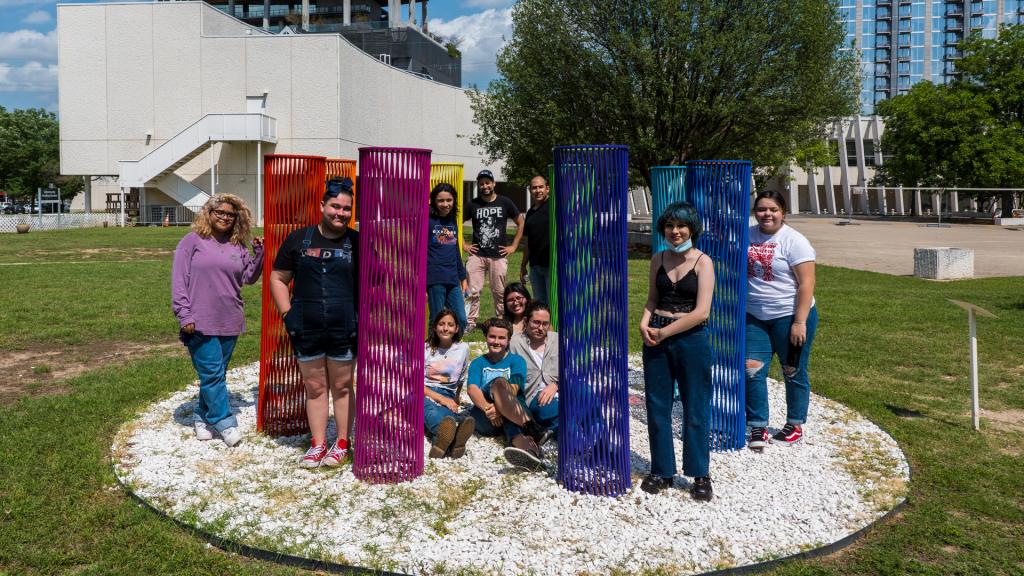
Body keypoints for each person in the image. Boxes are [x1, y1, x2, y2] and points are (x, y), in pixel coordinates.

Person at [268, 177, 358, 468]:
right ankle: (318, 443)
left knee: (342, 387)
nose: (340, 213)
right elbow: (278, 278)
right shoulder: (298, 239)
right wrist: (287, 314)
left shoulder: (358, 242)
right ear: (322, 205)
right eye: (335, 206)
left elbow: (375, 283)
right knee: (315, 387)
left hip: (344, 327)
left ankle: (342, 441)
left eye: (346, 208)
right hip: (306, 326)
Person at [171, 193, 263, 447]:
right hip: (199, 321)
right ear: (208, 214)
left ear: (237, 219)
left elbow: (248, 278)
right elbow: (179, 281)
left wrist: (260, 254)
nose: (224, 217)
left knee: (216, 373)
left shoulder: (238, 246)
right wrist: (184, 314)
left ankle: (202, 417)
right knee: (212, 373)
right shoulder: (191, 242)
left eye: (230, 215)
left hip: (230, 319)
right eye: (219, 212)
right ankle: (225, 422)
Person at [638, 200, 715, 501]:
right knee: (657, 406)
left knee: (695, 405)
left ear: (691, 228)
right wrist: (644, 325)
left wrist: (664, 331)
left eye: (681, 225)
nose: (675, 231)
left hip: (691, 340)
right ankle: (662, 470)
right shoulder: (657, 259)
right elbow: (651, 299)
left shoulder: (702, 262)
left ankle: (699, 473)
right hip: (656, 338)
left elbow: (702, 312)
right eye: (669, 226)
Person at [745, 190, 818, 450]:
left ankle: (795, 424)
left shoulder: (794, 241)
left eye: (773, 209)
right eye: (762, 209)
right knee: (752, 369)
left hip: (790, 315)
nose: (767, 214)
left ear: (782, 212)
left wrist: (800, 322)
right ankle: (757, 425)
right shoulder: (747, 235)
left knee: (793, 370)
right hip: (754, 316)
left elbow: (807, 283)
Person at [466, 317, 546, 470]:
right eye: (492, 336)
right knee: (499, 382)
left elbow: (514, 388)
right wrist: (490, 409)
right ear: (486, 337)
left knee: (503, 389)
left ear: (509, 340)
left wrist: (502, 408)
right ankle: (533, 428)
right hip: (487, 415)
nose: (496, 341)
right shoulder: (478, 363)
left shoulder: (516, 361)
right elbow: (472, 389)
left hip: (513, 411)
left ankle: (532, 456)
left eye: (501, 338)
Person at [464, 169, 524, 331]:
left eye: (487, 182)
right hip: (477, 255)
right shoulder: (473, 204)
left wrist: (514, 246)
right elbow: (456, 222)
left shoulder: (505, 202)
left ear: (493, 183)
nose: (485, 186)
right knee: (472, 291)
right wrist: (463, 244)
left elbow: (520, 221)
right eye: (482, 183)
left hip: (498, 256)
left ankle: (501, 319)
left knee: (498, 291)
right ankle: (470, 322)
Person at [423, 309, 475, 459]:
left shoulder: (463, 349)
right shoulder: (425, 348)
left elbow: (461, 376)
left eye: (450, 325)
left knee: (447, 418)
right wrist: (441, 399)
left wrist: (455, 398)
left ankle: (440, 442)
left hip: (448, 392)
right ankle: (452, 434)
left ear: (457, 328)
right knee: (432, 411)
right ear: (434, 327)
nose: (445, 328)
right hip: (424, 391)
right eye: (441, 324)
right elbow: (416, 383)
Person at [507, 302, 558, 455]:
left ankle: (603, 443)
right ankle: (584, 446)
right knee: (561, 412)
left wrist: (556, 384)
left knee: (588, 395)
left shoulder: (557, 340)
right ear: (525, 321)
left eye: (545, 324)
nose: (540, 328)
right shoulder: (514, 342)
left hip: (561, 388)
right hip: (537, 397)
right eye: (536, 322)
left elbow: (573, 369)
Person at [426, 183, 469, 331]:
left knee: (461, 320)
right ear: (433, 201)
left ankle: (451, 349)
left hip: (453, 278)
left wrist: (463, 277)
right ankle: (432, 350)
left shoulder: (452, 220)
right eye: (441, 200)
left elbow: (455, 250)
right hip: (435, 278)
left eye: (449, 200)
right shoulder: (427, 220)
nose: (445, 204)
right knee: (436, 319)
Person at [519, 175, 552, 305]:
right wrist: (523, 265)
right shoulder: (530, 213)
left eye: (541, 187)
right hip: (535, 266)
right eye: (534, 188)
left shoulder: (554, 206)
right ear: (530, 191)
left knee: (553, 303)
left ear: (547, 188)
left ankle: (555, 326)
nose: (538, 190)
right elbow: (528, 241)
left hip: (551, 265)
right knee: (540, 305)